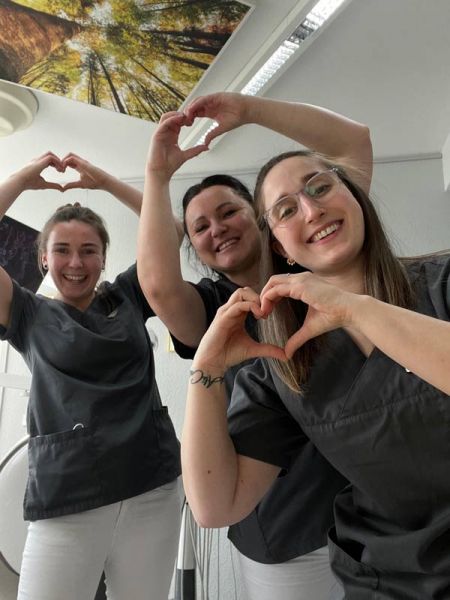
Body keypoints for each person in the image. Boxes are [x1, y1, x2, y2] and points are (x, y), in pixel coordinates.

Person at [181, 129, 450, 598]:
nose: (311, 210)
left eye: (320, 187)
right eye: (286, 210)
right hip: (394, 579)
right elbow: (216, 506)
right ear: (281, 248)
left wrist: (355, 308)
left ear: (354, 196)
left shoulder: (441, 282)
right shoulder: (283, 363)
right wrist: (205, 372)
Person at [137, 92, 372, 599]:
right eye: (200, 227)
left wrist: (249, 110)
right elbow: (156, 286)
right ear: (194, 249)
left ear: (263, 219)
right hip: (286, 531)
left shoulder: (317, 264)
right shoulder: (214, 314)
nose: (217, 229)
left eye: (229, 212)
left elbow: (354, 145)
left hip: (374, 514)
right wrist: (156, 174)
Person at [0, 152, 182, 600]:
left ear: (104, 258)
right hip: (67, 496)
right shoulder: (27, 313)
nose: (76, 263)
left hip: (150, 485)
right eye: (62, 250)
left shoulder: (129, 295)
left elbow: (174, 230)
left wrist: (105, 181)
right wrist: (21, 179)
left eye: (88, 251)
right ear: (44, 258)